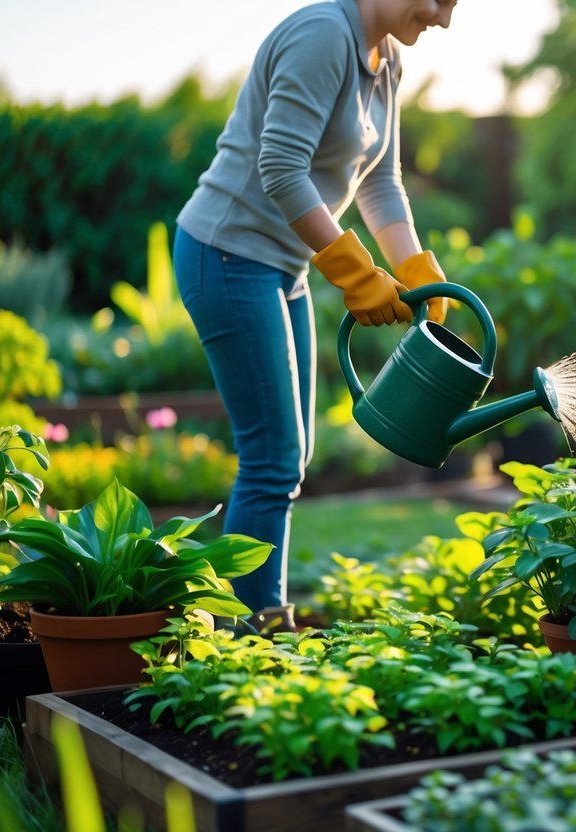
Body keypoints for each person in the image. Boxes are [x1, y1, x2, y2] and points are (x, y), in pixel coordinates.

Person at [172, 0, 457, 632]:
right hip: (226, 252)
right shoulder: (323, 35)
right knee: (271, 456)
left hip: (282, 267)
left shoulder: (388, 60)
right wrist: (356, 274)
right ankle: (249, 631)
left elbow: (380, 182)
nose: (442, 17)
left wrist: (415, 271)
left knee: (288, 460)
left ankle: (258, 619)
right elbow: (281, 169)